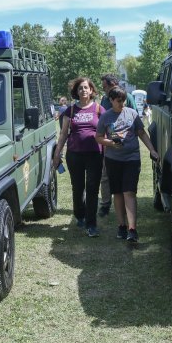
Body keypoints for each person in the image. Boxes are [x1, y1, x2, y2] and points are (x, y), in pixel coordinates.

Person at [96, 86, 158, 243]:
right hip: (113, 160)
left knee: (129, 192)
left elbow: (142, 133)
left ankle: (132, 229)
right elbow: (98, 137)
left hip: (131, 158)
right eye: (118, 101)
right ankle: (121, 226)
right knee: (117, 193)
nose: (122, 104)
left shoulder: (132, 113)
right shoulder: (105, 117)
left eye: (123, 100)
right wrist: (110, 143)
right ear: (111, 100)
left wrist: (152, 150)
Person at [52, 78, 105, 237]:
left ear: (91, 90)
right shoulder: (70, 110)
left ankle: (91, 224)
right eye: (80, 88)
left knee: (92, 188)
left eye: (86, 88)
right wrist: (57, 154)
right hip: (74, 154)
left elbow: (108, 131)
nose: (83, 90)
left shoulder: (98, 109)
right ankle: (79, 215)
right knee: (78, 187)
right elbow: (63, 134)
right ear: (76, 91)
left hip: (95, 154)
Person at [97, 75, 137, 218]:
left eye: (105, 86)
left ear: (112, 84)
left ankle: (126, 207)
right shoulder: (104, 99)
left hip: (126, 146)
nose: (104, 89)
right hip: (109, 143)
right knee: (105, 176)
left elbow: (134, 120)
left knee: (125, 179)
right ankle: (106, 204)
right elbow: (103, 119)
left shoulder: (129, 97)